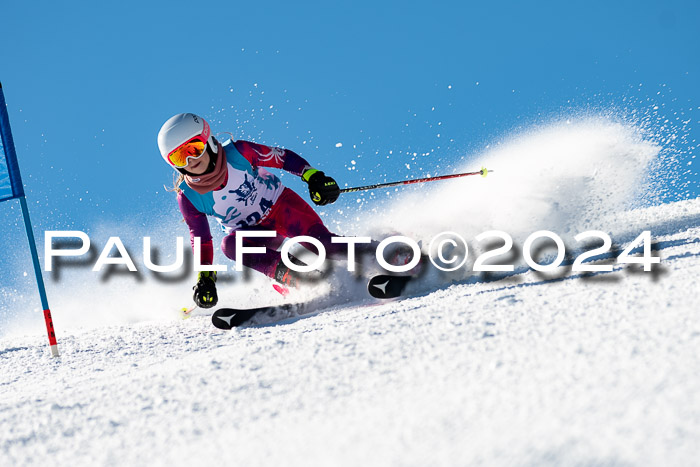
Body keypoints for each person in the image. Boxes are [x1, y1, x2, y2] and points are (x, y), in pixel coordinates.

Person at [158, 112, 354, 309]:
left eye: (195, 148)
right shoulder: (189, 197)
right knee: (231, 245)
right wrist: (205, 278)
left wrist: (313, 176)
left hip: (282, 208)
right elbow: (201, 239)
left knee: (323, 245)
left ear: (207, 140)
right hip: (255, 233)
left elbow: (283, 158)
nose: (190, 159)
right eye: (179, 157)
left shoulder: (239, 153)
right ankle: (304, 279)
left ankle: (377, 254)